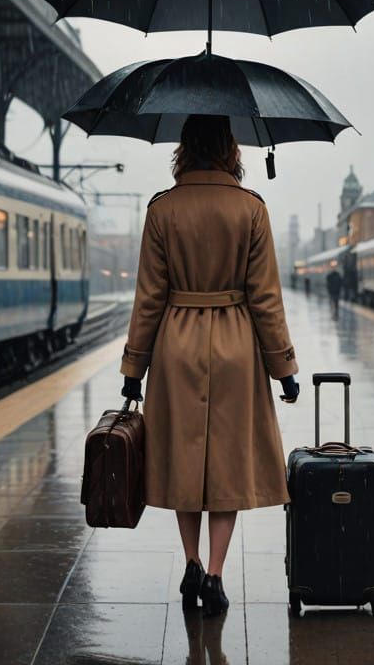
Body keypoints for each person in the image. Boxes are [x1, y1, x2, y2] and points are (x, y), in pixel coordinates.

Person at [119, 114, 300, 618]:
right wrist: (284, 368)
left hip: (176, 343)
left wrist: (134, 368)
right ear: (230, 149)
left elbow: (148, 298)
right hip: (237, 345)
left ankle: (192, 561)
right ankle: (217, 574)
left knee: (181, 456)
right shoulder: (251, 210)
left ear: (184, 148)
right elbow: (266, 299)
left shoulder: (162, 209)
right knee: (226, 464)